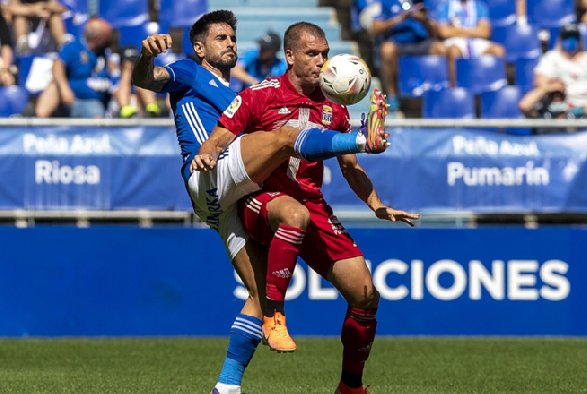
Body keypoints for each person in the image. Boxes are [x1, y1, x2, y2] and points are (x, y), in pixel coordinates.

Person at [131, 10, 389, 394]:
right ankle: (359, 140)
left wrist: (375, 201)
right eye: (221, 38)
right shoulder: (189, 71)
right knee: (286, 138)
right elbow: (147, 80)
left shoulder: (239, 94)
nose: (231, 43)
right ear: (199, 47)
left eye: (233, 37)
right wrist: (147, 56)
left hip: (228, 198)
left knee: (261, 297)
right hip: (208, 172)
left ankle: (227, 386)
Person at [196, 21, 418, 394]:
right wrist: (208, 151)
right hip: (262, 200)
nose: (322, 62)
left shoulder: (335, 108)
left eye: (325, 53)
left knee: (364, 294)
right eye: (312, 54)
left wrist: (377, 204)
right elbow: (222, 133)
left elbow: (351, 169)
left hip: (310, 203)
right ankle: (274, 313)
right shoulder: (260, 95)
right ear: (290, 56)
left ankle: (351, 386)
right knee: (293, 214)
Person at [522, 23, 587, 119]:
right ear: (560, 40)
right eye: (567, 37)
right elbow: (540, 83)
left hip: (585, 107)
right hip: (559, 106)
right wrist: (553, 87)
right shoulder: (551, 58)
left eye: (574, 37)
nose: (571, 41)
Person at [371, 0, 445, 110]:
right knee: (387, 50)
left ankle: (440, 94)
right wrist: (400, 18)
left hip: (422, 42)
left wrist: (425, 20)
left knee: (441, 49)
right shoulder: (386, 3)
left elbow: (438, 31)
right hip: (398, 42)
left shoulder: (424, 3)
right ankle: (392, 96)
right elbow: (375, 28)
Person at [34, 16, 112, 118]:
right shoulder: (73, 47)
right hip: (70, 98)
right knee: (53, 86)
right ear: (98, 37)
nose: (109, 39)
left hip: (92, 102)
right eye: (107, 36)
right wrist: (64, 88)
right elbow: (57, 65)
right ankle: (37, 126)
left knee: (95, 112)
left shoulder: (106, 53)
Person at [434, 0, 505, 88]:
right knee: (453, 51)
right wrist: (473, 30)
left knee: (498, 50)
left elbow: (485, 32)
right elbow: (443, 32)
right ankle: (455, 88)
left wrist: (458, 30)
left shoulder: (479, 6)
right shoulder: (445, 7)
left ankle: (497, 89)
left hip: (476, 41)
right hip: (455, 41)